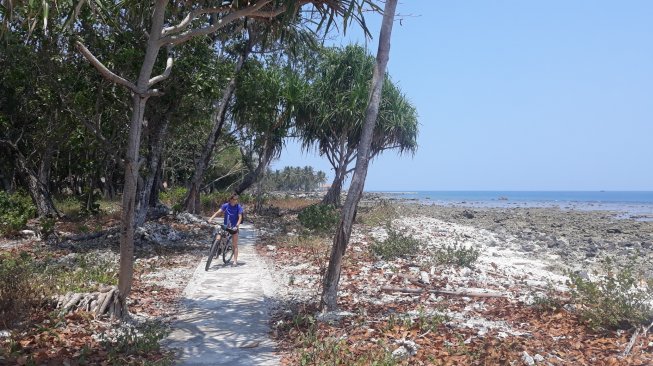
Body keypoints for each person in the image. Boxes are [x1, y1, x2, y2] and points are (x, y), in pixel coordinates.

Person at [208, 193, 244, 266]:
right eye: (234, 199)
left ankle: (235, 261)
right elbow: (218, 212)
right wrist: (211, 218)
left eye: (236, 199)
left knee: (235, 244)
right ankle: (217, 249)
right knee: (218, 236)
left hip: (234, 227)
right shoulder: (226, 205)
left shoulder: (238, 207)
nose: (235, 201)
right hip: (226, 225)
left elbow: (240, 217)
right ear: (230, 199)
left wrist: (237, 226)